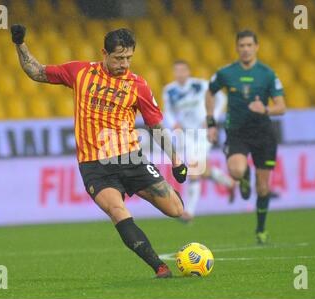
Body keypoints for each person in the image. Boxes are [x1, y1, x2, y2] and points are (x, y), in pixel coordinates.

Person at [11, 25, 188, 278]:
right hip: (95, 166)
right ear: (104, 53)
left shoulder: (138, 86)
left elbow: (155, 125)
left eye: (128, 58)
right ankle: (159, 266)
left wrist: (176, 160)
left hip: (131, 158)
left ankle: (147, 192)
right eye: (118, 58)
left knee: (176, 210)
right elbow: (36, 71)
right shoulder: (80, 72)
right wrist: (20, 43)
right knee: (117, 211)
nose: (124, 64)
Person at [205, 30, 287, 244]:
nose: (245, 49)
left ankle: (260, 229)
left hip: (263, 134)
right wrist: (211, 122)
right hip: (238, 132)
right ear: (236, 48)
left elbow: (281, 107)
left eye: (249, 45)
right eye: (241, 45)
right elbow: (210, 92)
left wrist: (265, 110)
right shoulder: (226, 72)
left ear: (256, 47)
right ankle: (243, 177)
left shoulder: (268, 74)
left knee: (263, 187)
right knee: (236, 170)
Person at [163, 60, 236, 222]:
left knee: (195, 166)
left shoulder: (201, 85)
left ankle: (189, 212)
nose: (180, 74)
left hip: (203, 132)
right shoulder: (169, 90)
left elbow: (222, 99)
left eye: (183, 70)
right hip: (186, 134)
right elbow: (167, 111)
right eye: (177, 71)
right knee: (202, 169)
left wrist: (212, 118)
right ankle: (229, 183)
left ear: (188, 72)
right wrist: (173, 122)